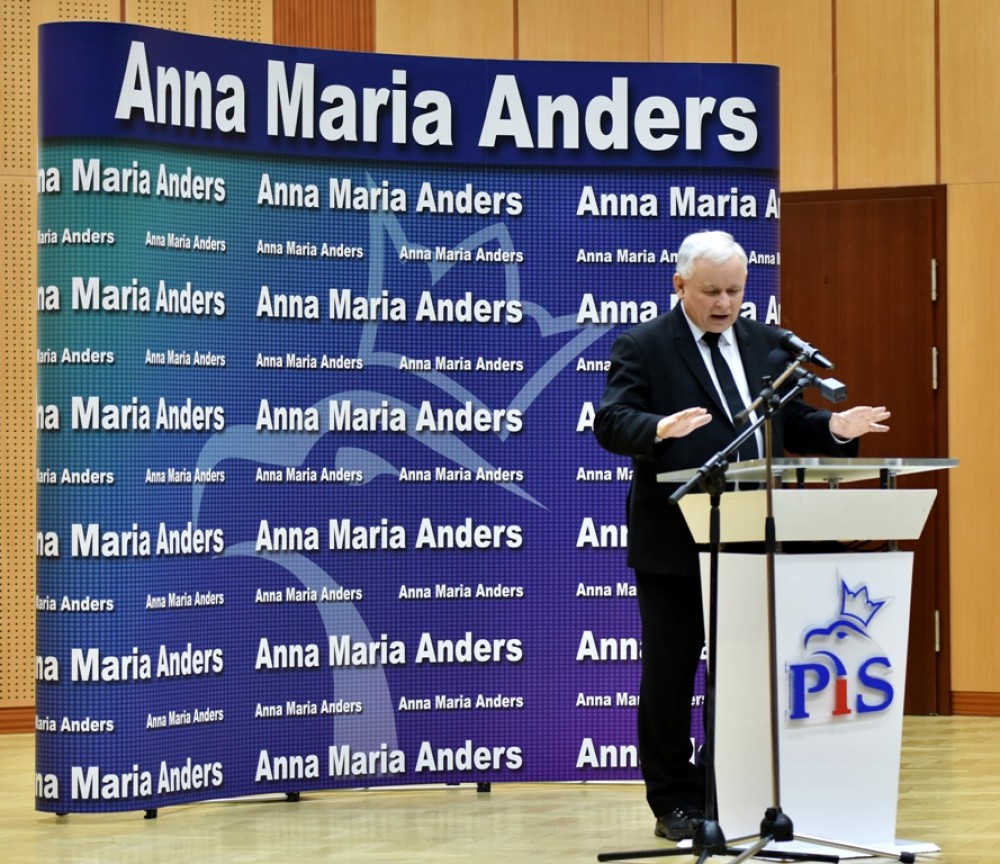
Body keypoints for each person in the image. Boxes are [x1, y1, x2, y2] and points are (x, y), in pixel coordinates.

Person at [592, 230, 890, 842]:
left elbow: (790, 422)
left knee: (741, 675)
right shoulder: (644, 345)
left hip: (752, 536)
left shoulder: (766, 344)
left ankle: (724, 787)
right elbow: (612, 421)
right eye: (711, 291)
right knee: (671, 675)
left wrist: (835, 427)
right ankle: (673, 801)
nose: (725, 303)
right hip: (675, 536)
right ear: (680, 285)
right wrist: (659, 428)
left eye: (734, 290)